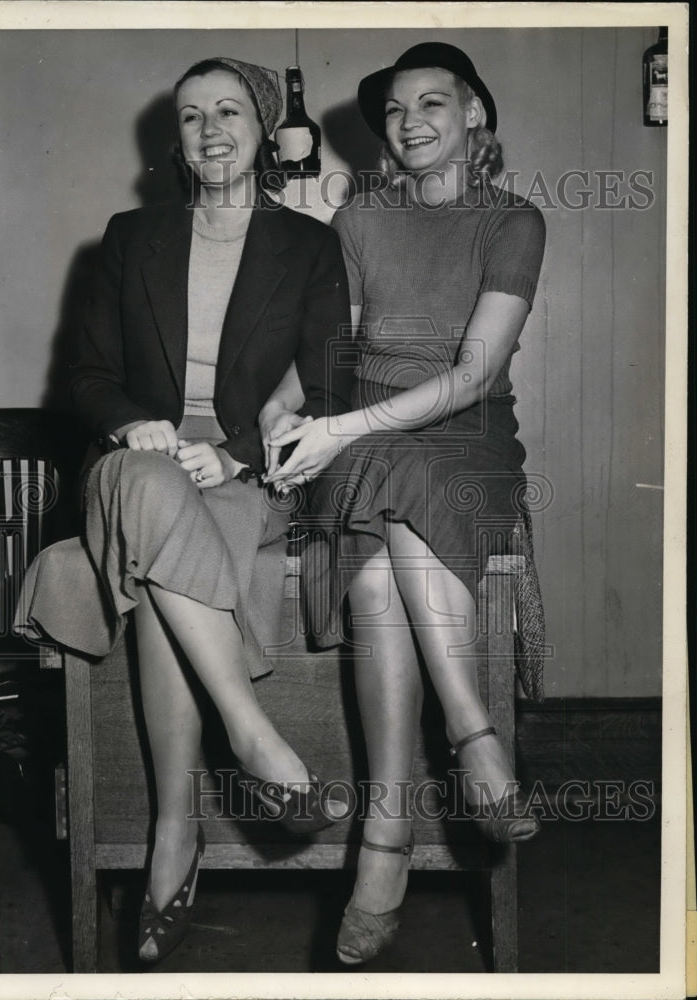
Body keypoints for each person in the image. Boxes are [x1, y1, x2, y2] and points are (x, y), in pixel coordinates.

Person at [16, 56, 352, 965]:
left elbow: (325, 378)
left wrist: (236, 449)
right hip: (135, 464)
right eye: (193, 115)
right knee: (152, 492)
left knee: (169, 573)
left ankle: (175, 832)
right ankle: (253, 736)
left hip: (246, 473)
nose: (210, 129)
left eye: (230, 112)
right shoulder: (130, 236)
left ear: (264, 127)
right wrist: (137, 428)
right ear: (176, 138)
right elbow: (85, 376)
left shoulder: (312, 246)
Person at [261, 42, 546, 965]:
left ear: (476, 118)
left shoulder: (513, 221)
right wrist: (281, 415)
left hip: (466, 437)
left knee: (381, 574)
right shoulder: (359, 218)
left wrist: (343, 432)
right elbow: (325, 354)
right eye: (393, 110)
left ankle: (385, 839)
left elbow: (472, 376)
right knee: (377, 534)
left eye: (435, 102)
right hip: (365, 437)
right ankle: (475, 745)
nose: (411, 121)